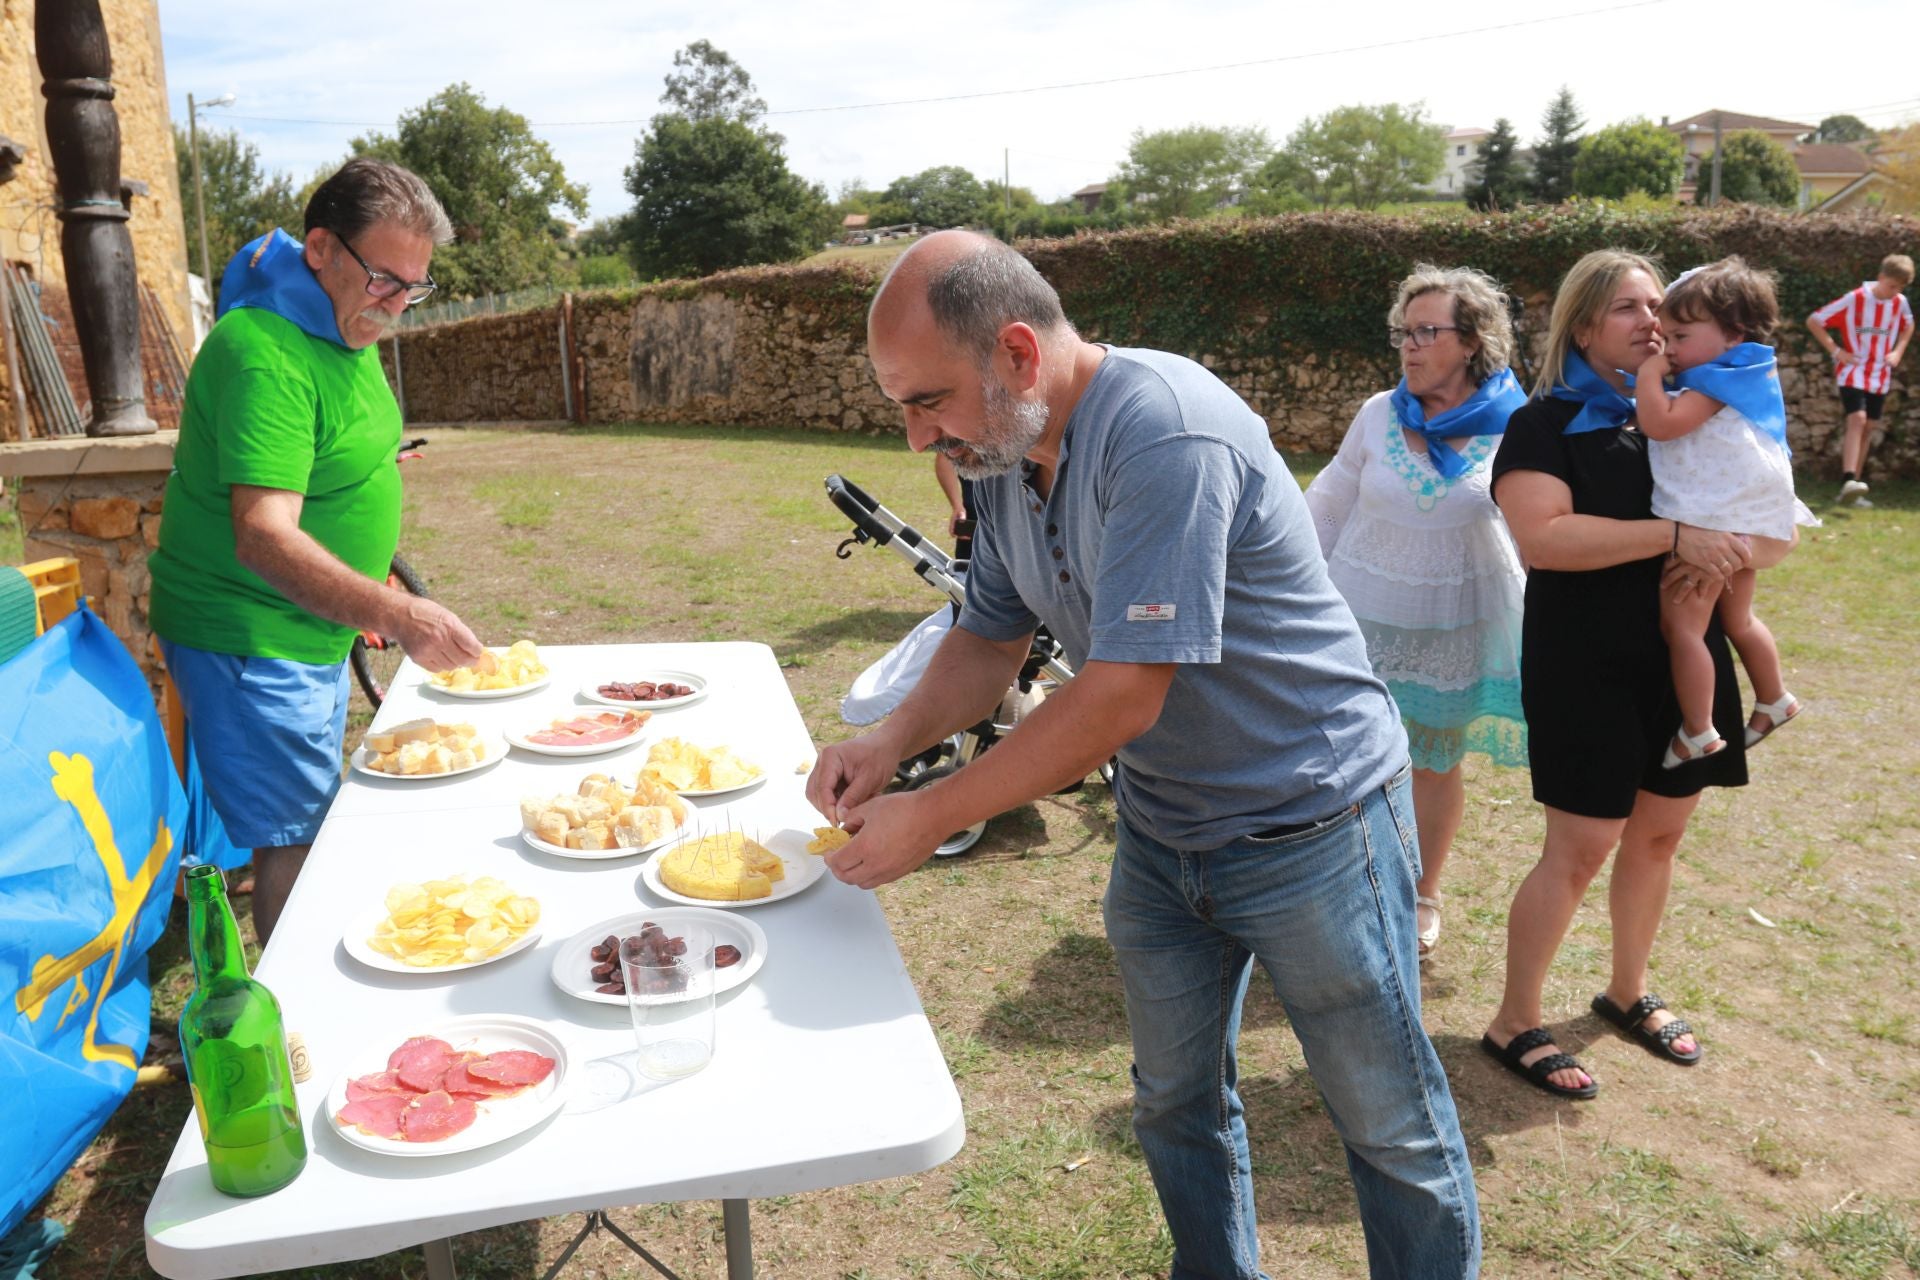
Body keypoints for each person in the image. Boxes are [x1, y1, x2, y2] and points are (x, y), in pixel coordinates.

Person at [811, 230, 1481, 1279]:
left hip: (1314, 826)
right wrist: (889, 740)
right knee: (1174, 1103)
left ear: (1017, 354)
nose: (916, 436)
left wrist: (932, 812)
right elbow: (988, 636)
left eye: (927, 401)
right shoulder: (1000, 452)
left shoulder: (1165, 430)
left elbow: (1124, 691)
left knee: (1388, 1122)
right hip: (1166, 831)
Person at [149, 159, 484, 945]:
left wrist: (366, 530)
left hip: (309, 627)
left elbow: (334, 452)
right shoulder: (266, 353)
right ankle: (293, 1005)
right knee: (297, 842)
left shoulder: (341, 320)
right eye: (383, 280)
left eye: (413, 288)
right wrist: (396, 611)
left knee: (310, 819)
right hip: (253, 634)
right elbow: (263, 533)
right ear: (322, 249)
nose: (395, 305)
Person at [1482, 249, 1750, 1100]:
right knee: (1582, 847)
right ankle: (1514, 1020)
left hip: (1686, 653)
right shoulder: (1542, 424)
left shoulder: (1687, 413)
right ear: (1585, 323)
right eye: (1631, 307)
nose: (1653, 322)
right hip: (1585, 660)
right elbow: (1544, 540)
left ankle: (1628, 990)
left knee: (1661, 835)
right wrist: (1675, 537)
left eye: (1659, 306)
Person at [1304, 264, 1529, 960]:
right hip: (1359, 620)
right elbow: (1329, 503)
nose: (1409, 345)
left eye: (1427, 332)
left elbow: (1535, 526)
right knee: (1342, 760)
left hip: (1451, 631)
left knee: (1433, 764)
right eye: (1405, 331)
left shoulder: (1517, 423)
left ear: (1472, 340)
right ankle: (1337, 889)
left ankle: (1423, 891)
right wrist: (1286, 586)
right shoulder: (1379, 412)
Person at [1637, 258, 1817, 767]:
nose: (1669, 348)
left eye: (1680, 336)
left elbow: (1660, 424)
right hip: (1745, 515)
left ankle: (1698, 728)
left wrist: (1648, 375)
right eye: (1666, 337)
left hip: (1713, 520)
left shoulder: (1716, 382)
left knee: (1683, 629)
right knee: (1738, 618)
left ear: (1733, 334)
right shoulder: (1744, 371)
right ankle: (1774, 697)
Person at [1806, 253, 1914, 508]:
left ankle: (1853, 489)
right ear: (1881, 277)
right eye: (1892, 286)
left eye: (1900, 288)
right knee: (1857, 418)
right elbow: (1814, 320)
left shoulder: (1900, 303)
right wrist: (1836, 351)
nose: (1895, 292)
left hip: (1880, 373)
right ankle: (1848, 479)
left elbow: (1908, 325)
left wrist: (1898, 352)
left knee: (1870, 426)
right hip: (1852, 369)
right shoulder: (1855, 299)